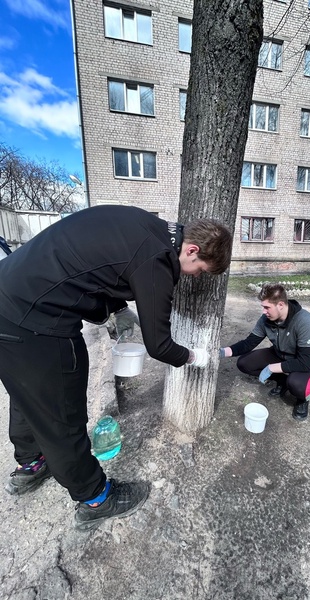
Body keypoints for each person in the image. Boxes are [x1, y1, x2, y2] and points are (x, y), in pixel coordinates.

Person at [0, 205, 232, 531]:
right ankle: (95, 498)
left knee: (29, 389)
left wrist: (118, 307)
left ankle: (31, 464)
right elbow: (160, 346)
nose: (195, 277)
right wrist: (195, 357)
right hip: (36, 319)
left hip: (7, 295)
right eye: (201, 270)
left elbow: (104, 260)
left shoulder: (149, 226)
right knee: (63, 413)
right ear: (191, 250)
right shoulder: (159, 261)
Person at [220, 283, 310, 421]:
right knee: (244, 363)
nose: (264, 311)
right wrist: (221, 352)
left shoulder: (304, 320)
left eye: (267, 307)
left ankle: (302, 399)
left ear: (280, 305)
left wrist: (271, 368)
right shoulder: (266, 319)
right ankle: (283, 380)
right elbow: (249, 343)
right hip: (280, 354)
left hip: (308, 360)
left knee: (297, 385)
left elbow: (304, 362)